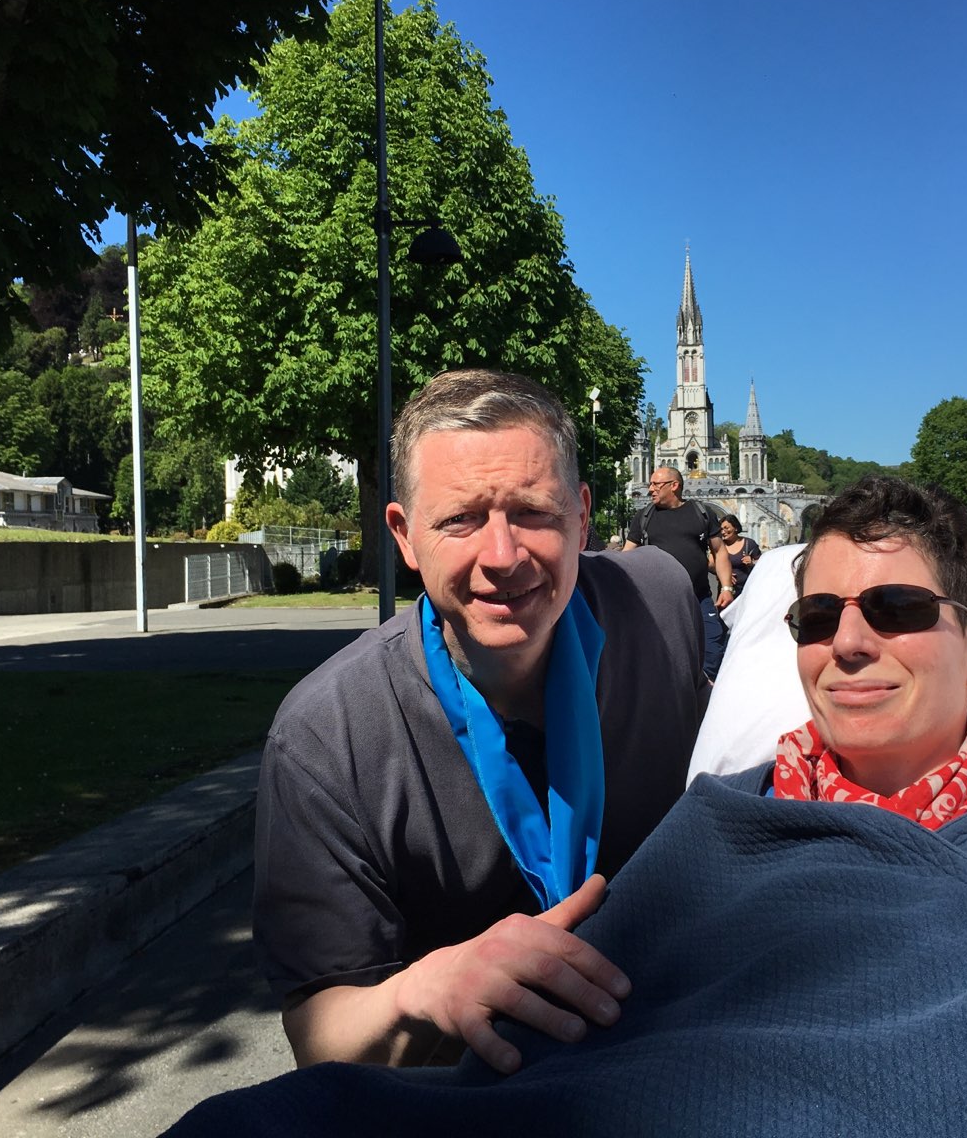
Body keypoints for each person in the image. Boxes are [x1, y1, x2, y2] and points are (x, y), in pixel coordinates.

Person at [167, 476, 967, 1137]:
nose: (848, 641)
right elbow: (587, 1055)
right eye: (816, 617)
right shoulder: (717, 822)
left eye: (896, 608)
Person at [253, 369, 708, 1076]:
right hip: (472, 1100)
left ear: (582, 516)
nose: (503, 556)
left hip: (686, 1062)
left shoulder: (661, 603)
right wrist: (427, 991)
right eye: (460, 519)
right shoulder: (327, 737)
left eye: (533, 512)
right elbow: (319, 1037)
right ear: (405, 536)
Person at [623, 469, 733, 678]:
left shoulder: (701, 512)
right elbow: (627, 554)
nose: (650, 489)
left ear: (674, 485)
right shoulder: (644, 516)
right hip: (657, 601)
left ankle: (705, 688)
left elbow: (719, 551)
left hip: (698, 597)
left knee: (713, 646)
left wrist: (726, 587)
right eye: (650, 484)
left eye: (656, 484)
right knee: (662, 652)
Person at [717, 513, 762, 597]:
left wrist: (752, 563)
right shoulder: (719, 546)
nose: (723, 532)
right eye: (721, 529)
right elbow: (711, 564)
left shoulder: (749, 543)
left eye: (726, 528)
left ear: (736, 528)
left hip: (747, 590)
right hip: (726, 592)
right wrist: (724, 575)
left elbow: (762, 563)